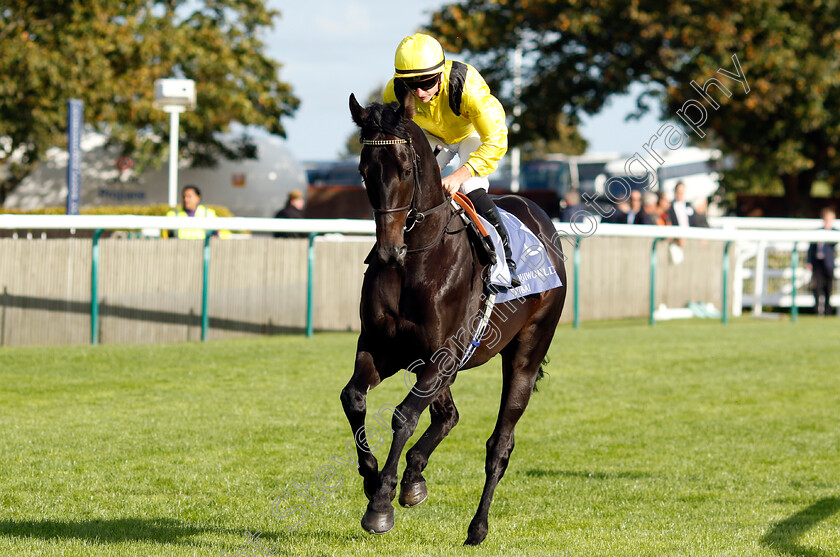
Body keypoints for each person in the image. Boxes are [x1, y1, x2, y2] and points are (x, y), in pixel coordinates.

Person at [384, 33, 519, 287]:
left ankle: (505, 262)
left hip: (473, 135)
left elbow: (497, 140)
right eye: (413, 85)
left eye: (427, 83)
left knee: (469, 187)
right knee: (412, 184)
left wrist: (459, 175)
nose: (420, 93)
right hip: (434, 137)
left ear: (441, 74)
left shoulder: (468, 88)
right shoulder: (394, 91)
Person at [806, 207, 837, 316]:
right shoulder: (817, 232)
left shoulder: (835, 232)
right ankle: (816, 310)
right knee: (816, 287)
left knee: (828, 287)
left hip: (828, 263)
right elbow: (811, 248)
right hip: (817, 263)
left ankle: (828, 311)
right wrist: (808, 261)